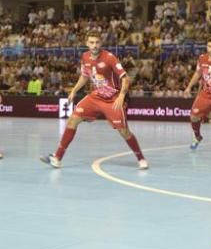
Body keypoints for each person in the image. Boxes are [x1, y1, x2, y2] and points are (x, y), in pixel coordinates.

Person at [41, 33, 148, 170]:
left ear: (101, 43)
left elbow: (125, 78)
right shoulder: (85, 57)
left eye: (97, 42)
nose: (94, 45)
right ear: (87, 43)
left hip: (113, 98)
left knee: (124, 131)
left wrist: (121, 96)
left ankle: (141, 158)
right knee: (73, 119)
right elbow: (85, 76)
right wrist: (74, 90)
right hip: (96, 96)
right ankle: (57, 158)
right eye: (91, 42)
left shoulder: (109, 58)